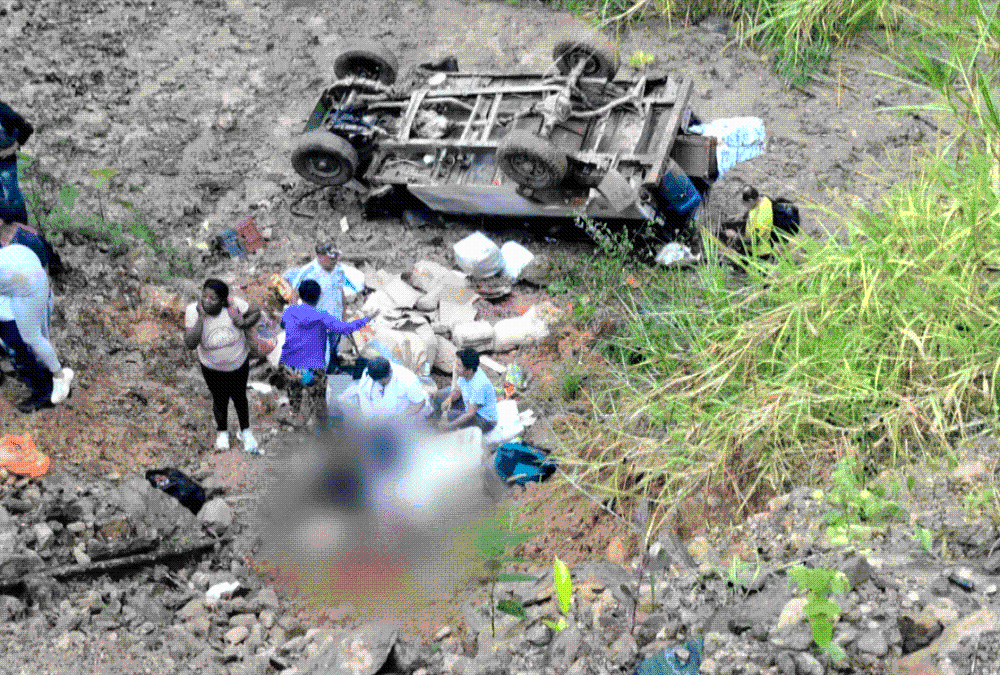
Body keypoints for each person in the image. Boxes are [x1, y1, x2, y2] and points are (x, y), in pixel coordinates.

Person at [184, 279, 260, 453]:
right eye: (204, 296)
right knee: (219, 399)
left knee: (240, 397)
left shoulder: (234, 305)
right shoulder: (192, 311)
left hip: (239, 363)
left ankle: (246, 431)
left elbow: (256, 312)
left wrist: (245, 322)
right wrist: (201, 317)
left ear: (223, 300)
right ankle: (222, 432)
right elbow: (190, 343)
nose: (206, 301)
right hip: (211, 367)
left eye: (213, 298)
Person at [0, 244, 71, 412]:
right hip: (21, 273)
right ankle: (52, 378)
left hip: (27, 287)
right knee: (20, 339)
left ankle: (47, 388)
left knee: (21, 341)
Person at [282, 238, 355, 371]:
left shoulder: (338, 269)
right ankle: (315, 378)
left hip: (335, 320)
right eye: (331, 258)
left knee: (332, 349)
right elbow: (294, 295)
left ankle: (331, 371)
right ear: (320, 256)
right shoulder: (308, 272)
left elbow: (341, 292)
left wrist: (344, 317)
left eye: (336, 258)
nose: (335, 261)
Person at [279, 279, 377, 372]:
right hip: (309, 375)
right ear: (318, 296)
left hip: (286, 366)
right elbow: (346, 328)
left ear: (300, 296)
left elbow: (283, 325)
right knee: (334, 333)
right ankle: (331, 370)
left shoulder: (289, 311)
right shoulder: (321, 315)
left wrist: (294, 305)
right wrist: (368, 318)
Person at [431, 347, 498, 433]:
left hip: (484, 419)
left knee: (450, 416)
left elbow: (470, 414)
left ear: (469, 370)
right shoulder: (467, 373)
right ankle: (434, 423)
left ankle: (442, 433)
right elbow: (457, 390)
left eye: (459, 366)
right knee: (440, 396)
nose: (456, 368)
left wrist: (450, 425)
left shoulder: (479, 384)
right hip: (469, 405)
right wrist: (449, 399)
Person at [355, 356, 430, 422]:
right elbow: (364, 402)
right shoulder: (367, 378)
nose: (382, 383)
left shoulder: (407, 379)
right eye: (379, 381)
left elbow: (419, 402)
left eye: (384, 380)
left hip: (405, 415)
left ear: (391, 371)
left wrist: (400, 418)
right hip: (381, 418)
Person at [0, 100, 33, 225]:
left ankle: (22, 226)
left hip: (6, 159)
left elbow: (27, 128)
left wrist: (12, 148)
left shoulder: (4, 111)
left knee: (12, 194)